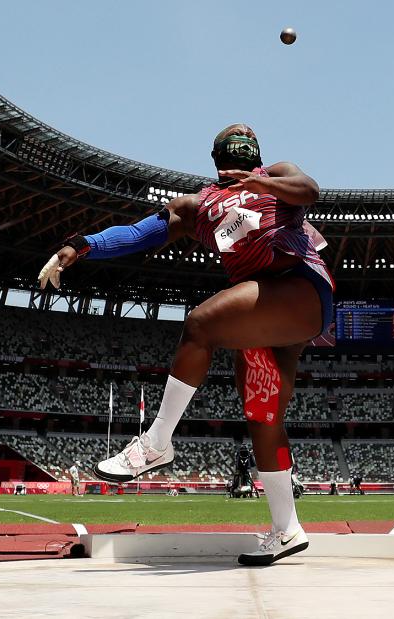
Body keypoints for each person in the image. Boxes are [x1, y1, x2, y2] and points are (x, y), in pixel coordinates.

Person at [39, 124, 332, 566]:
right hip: (262, 310)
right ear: (215, 156)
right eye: (232, 139)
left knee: (200, 324)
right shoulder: (196, 206)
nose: (240, 134)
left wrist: (262, 182)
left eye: (245, 139)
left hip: (298, 288)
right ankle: (287, 528)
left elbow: (308, 190)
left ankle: (157, 441)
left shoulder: (277, 174)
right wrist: (78, 247)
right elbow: (138, 234)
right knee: (263, 415)